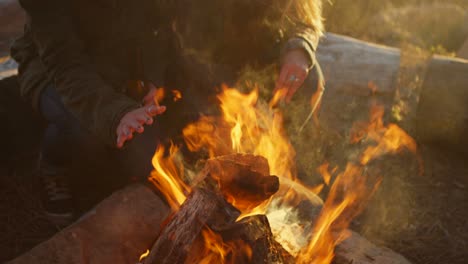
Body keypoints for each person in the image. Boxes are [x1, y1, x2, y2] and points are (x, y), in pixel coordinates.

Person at [10, 0, 324, 224]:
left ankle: (267, 168)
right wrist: (117, 113)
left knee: (144, 156)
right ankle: (54, 165)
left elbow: (155, 29)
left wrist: (153, 80)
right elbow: (66, 65)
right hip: (60, 75)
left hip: (125, 72)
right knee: (81, 131)